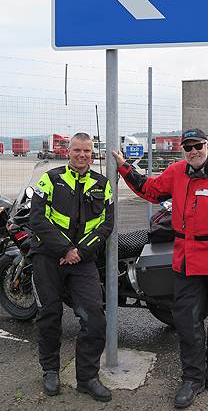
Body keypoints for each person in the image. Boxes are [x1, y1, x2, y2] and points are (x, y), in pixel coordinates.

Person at [113, 128, 208, 409]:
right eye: (187, 147)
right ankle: (192, 378)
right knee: (186, 321)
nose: (193, 151)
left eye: (197, 145)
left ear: (207, 146)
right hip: (187, 261)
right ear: (183, 151)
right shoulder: (177, 172)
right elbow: (151, 190)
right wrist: (125, 169)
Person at [29, 132, 114, 402]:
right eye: (77, 150)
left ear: (92, 153)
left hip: (83, 260)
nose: (82, 155)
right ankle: (51, 371)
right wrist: (65, 249)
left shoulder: (103, 184)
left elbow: (106, 224)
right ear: (68, 152)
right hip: (49, 257)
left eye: (87, 151)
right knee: (49, 314)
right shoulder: (50, 179)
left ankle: (87, 378)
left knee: (94, 317)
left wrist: (79, 252)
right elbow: (37, 218)